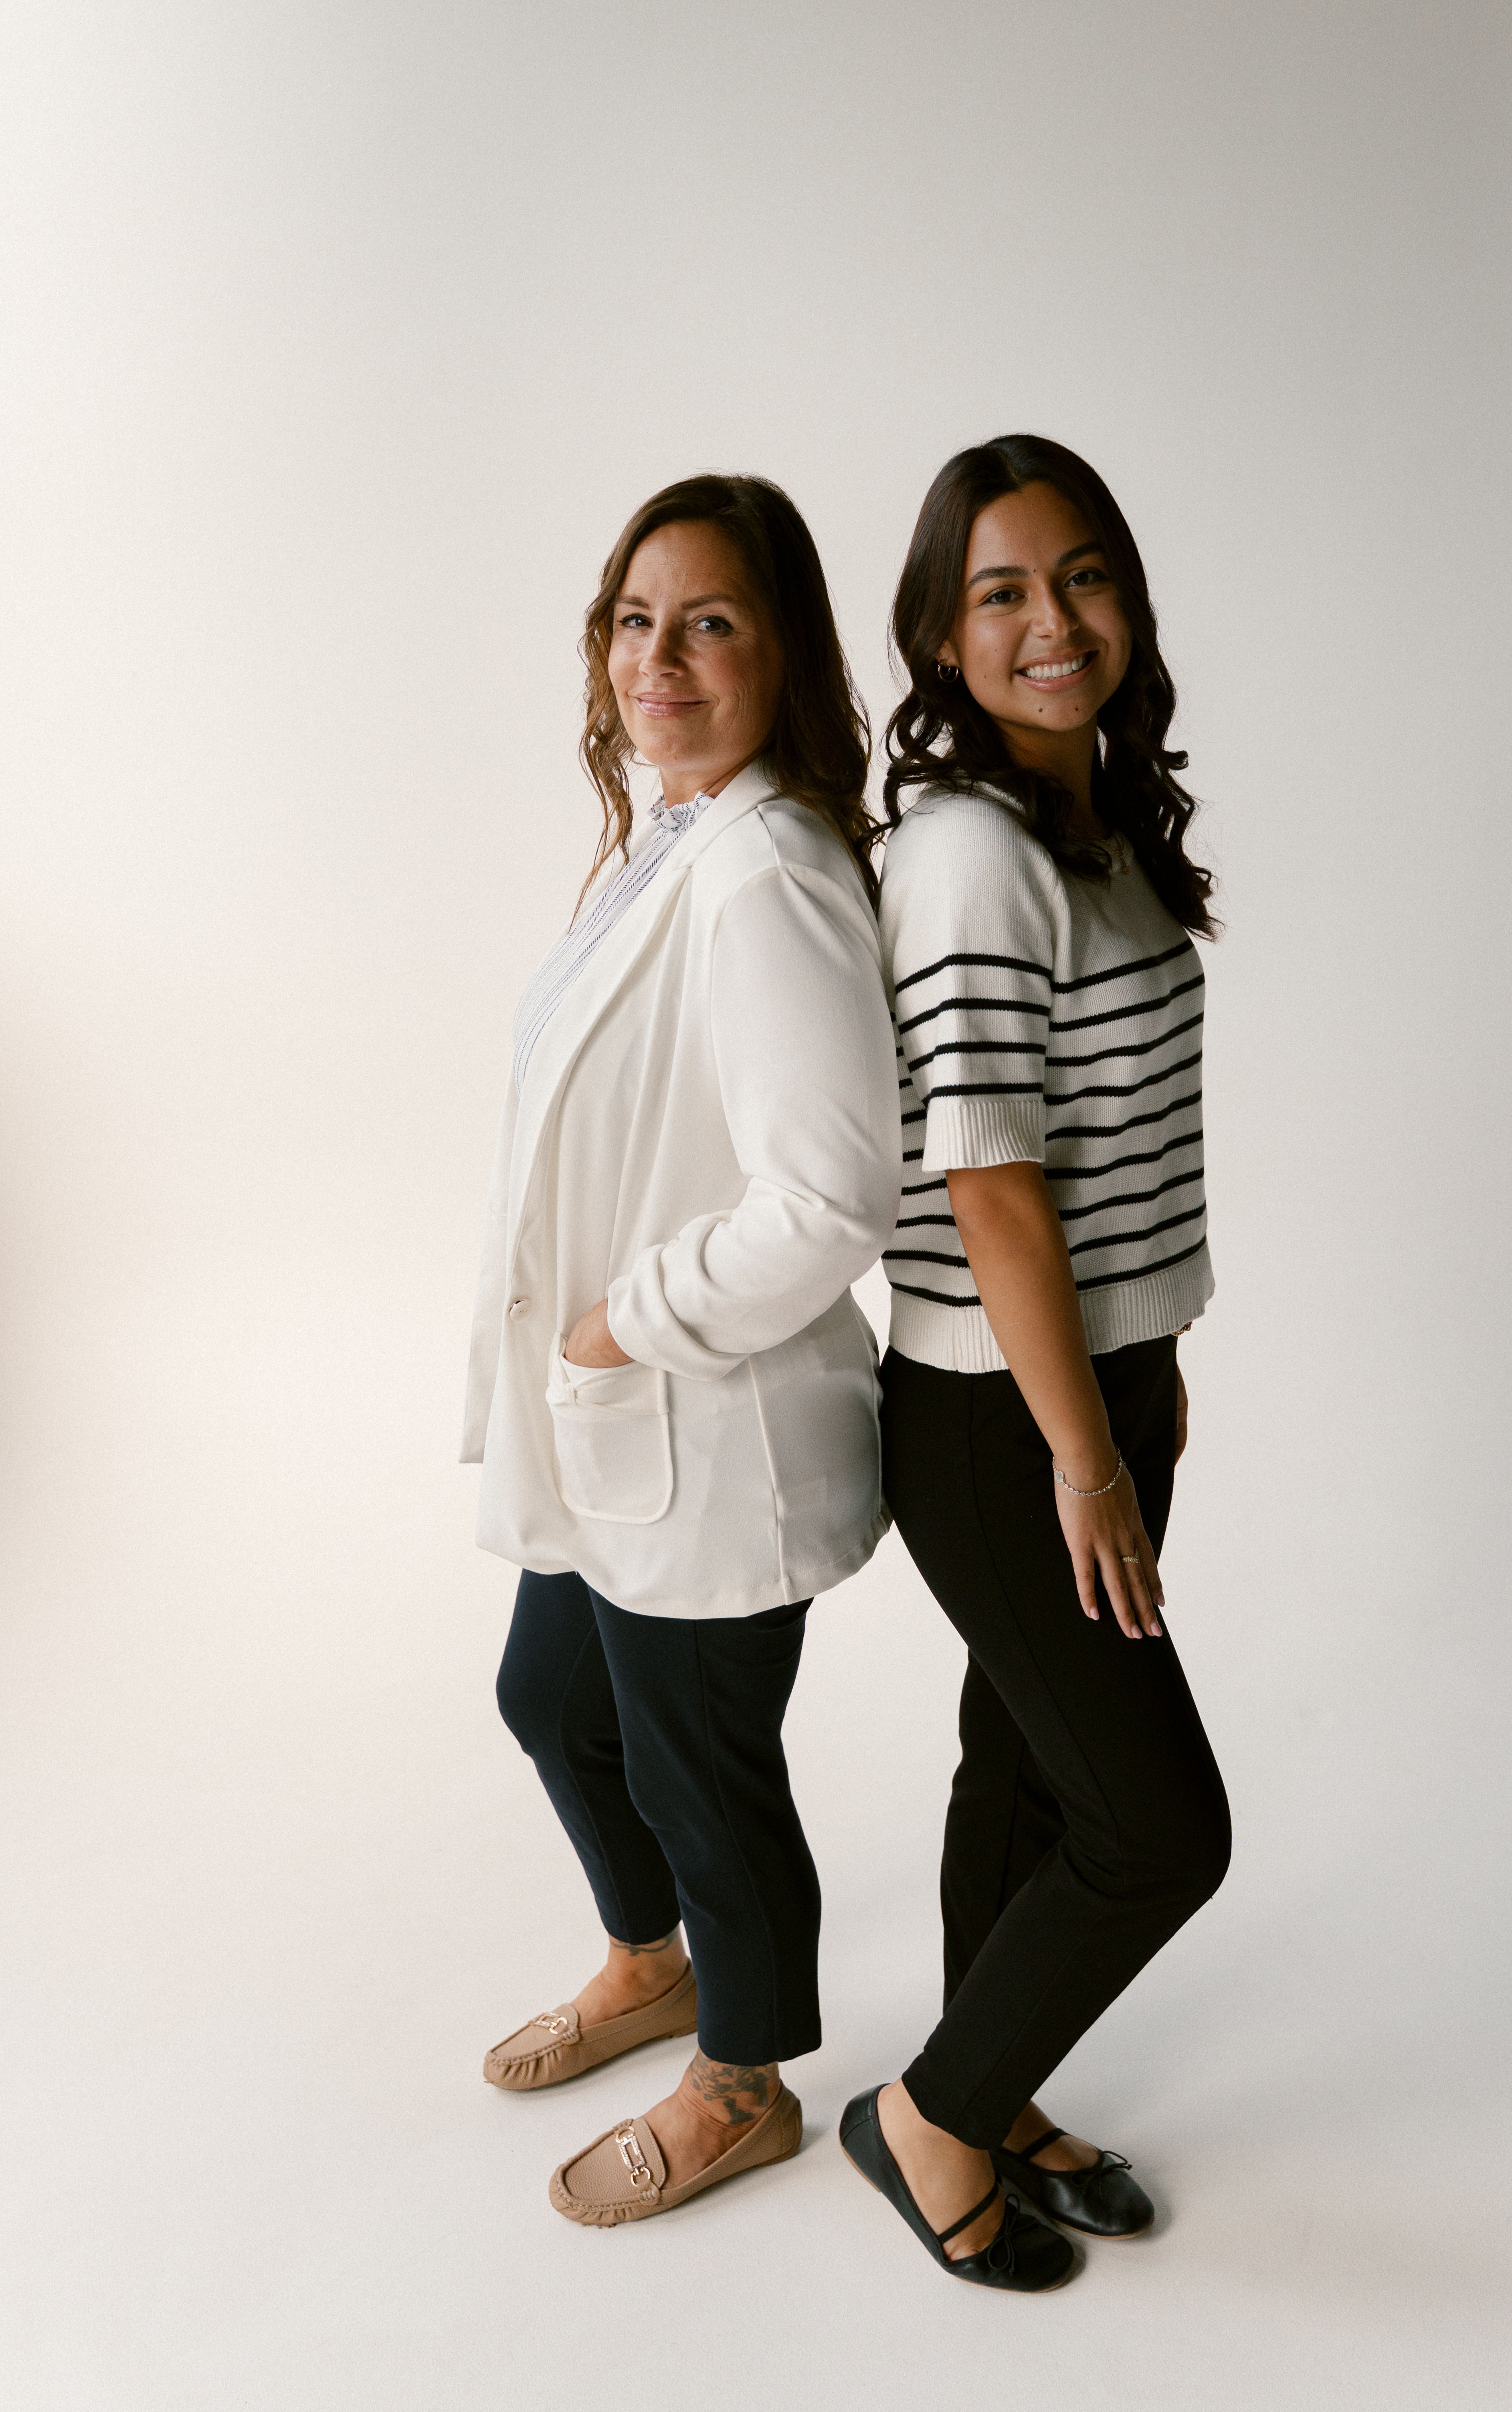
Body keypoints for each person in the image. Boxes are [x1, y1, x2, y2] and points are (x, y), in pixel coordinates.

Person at [462, 473, 900, 2228]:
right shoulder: (678, 839)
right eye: (637, 619)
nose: (661, 655)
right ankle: (649, 1962)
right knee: (550, 1699)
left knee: (703, 1772)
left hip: (706, 1424)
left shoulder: (773, 872)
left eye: (710, 620)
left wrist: (616, 1318)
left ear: (780, 651)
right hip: (619, 1427)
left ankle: (744, 2077)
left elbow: (831, 1197)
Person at [841, 435, 1232, 2292]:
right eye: (999, 591)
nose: (1050, 620)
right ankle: (929, 2112)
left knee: (1025, 1764)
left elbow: (1101, 1163)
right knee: (1160, 1829)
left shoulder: (1091, 824)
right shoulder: (974, 851)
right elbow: (988, 1186)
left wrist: (1145, 1375)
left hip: (1097, 1379)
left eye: (1081, 575)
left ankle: (991, 2090)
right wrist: (1085, 1456)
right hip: (1001, 1412)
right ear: (937, 634)